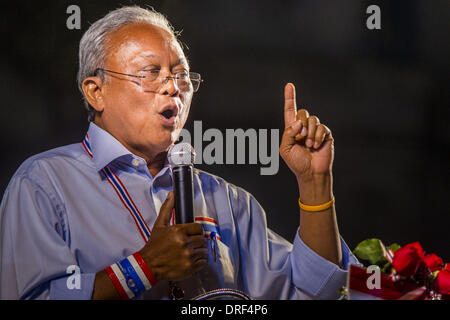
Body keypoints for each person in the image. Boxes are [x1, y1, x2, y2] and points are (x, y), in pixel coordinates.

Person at [0, 6, 358, 300]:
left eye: (182, 76)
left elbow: (320, 292)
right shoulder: (44, 184)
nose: (173, 87)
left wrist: (315, 183)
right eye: (151, 73)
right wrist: (144, 268)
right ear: (96, 91)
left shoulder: (228, 202)